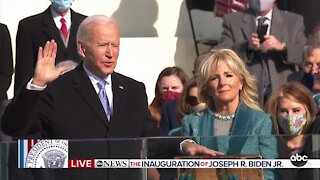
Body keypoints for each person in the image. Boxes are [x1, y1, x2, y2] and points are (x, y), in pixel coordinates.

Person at [2, 15, 159, 179]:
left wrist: (184, 145)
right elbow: (13, 128)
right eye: (103, 45)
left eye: (115, 45)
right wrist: (37, 84)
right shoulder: (57, 89)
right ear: (82, 49)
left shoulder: (133, 90)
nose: (110, 53)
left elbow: (153, 141)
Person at [181, 49, 278, 180]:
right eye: (215, 78)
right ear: (207, 87)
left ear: (241, 82)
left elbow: (270, 171)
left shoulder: (262, 121)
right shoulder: (192, 122)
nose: (222, 83)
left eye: (229, 75)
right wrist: (184, 144)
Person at [215, 0, 306, 105]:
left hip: (284, 93)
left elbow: (305, 54)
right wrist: (246, 46)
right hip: (249, 94)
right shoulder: (232, 20)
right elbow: (221, 53)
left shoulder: (293, 21)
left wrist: (282, 47)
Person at [14, 0, 87, 93]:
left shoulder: (87, 24)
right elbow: (23, 73)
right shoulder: (29, 26)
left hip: (81, 97)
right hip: (45, 99)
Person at [264, 82, 318, 180]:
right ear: (275, 113)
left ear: (308, 111)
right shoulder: (269, 147)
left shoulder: (316, 144)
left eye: (296, 110)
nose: (290, 116)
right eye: (284, 111)